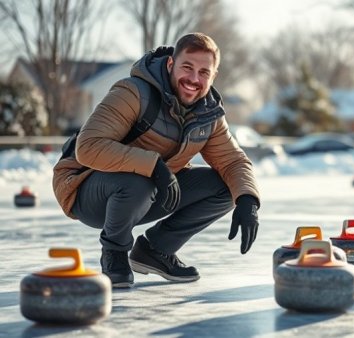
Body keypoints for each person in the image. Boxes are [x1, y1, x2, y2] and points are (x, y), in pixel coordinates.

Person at [52, 33, 260, 288]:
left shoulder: (209, 114)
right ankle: (114, 252)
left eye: (204, 72)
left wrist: (248, 200)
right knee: (138, 182)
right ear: (171, 64)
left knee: (228, 187)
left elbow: (233, 162)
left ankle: (155, 250)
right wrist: (155, 166)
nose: (194, 79)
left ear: (213, 76)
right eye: (187, 67)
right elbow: (89, 147)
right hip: (85, 189)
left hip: (152, 189)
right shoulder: (133, 92)